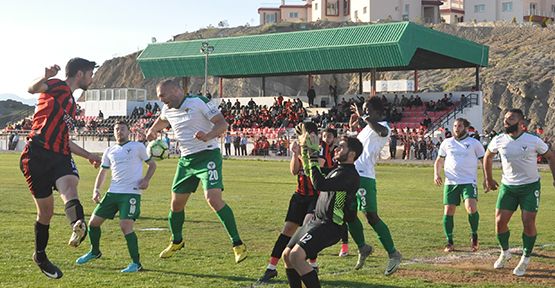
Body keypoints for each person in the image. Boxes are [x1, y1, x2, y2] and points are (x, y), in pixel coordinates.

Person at [146, 80, 246, 263]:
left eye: (164, 96)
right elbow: (162, 119)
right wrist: (152, 131)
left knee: (213, 199)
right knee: (176, 205)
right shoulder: (167, 109)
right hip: (186, 160)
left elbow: (222, 124)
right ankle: (177, 241)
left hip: (208, 155)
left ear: (176, 90)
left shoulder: (198, 102)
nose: (162, 101)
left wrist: (207, 136)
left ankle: (238, 244)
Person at [20, 58, 102, 279]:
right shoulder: (58, 85)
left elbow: (65, 139)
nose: (92, 78)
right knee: (45, 212)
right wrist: (45, 76)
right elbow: (31, 88)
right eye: (90, 74)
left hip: (59, 155)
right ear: (79, 74)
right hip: (36, 154)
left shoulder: (72, 106)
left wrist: (88, 155)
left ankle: (77, 222)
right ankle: (40, 256)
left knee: (70, 186)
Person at [282, 133, 362, 288]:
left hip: (330, 226)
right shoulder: (338, 169)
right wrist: (303, 152)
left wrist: (313, 156)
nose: (337, 149)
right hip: (316, 222)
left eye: (342, 146)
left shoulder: (350, 175)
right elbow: (312, 172)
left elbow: (320, 184)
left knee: (296, 256)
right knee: (287, 256)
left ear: (351, 154)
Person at [75, 121, 157, 272]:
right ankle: (95, 252)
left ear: (128, 131)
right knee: (93, 223)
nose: (119, 132)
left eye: (122, 129)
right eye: (117, 129)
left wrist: (146, 180)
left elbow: (152, 164)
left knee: (125, 226)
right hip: (113, 192)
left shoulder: (138, 147)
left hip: (131, 193)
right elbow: (103, 171)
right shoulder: (109, 150)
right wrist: (96, 189)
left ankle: (136, 263)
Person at [484, 109, 555, 276]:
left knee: (527, 221)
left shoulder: (533, 140)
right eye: (505, 118)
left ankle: (525, 258)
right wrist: (488, 178)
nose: (506, 121)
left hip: (530, 187)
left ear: (521, 123)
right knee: (500, 222)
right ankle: (505, 252)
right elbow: (487, 156)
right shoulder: (499, 140)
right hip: (508, 187)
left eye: (511, 118)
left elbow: (551, 156)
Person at [347, 97, 402, 275]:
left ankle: (393, 253)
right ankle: (363, 247)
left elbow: (381, 132)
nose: (365, 112)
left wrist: (364, 118)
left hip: (365, 177)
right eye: (364, 109)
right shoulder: (366, 128)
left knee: (371, 216)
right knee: (348, 213)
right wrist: (352, 127)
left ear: (378, 111)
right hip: (351, 174)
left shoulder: (384, 126)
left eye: (368, 109)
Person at [257, 139, 319, 284]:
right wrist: (294, 154)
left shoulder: (318, 151)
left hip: (315, 197)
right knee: (287, 230)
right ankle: (271, 267)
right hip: (299, 196)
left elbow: (315, 169)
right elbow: (294, 171)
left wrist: (304, 153)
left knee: (307, 228)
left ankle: (312, 264)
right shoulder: (301, 152)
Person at [434, 118, 484, 253]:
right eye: (455, 126)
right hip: (451, 182)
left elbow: (483, 161)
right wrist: (436, 174)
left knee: (471, 207)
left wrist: (487, 178)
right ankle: (449, 241)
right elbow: (439, 160)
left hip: (468, 181)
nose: (456, 128)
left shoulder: (474, 143)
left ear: (466, 128)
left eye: (460, 126)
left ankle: (474, 235)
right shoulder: (447, 143)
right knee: (448, 211)